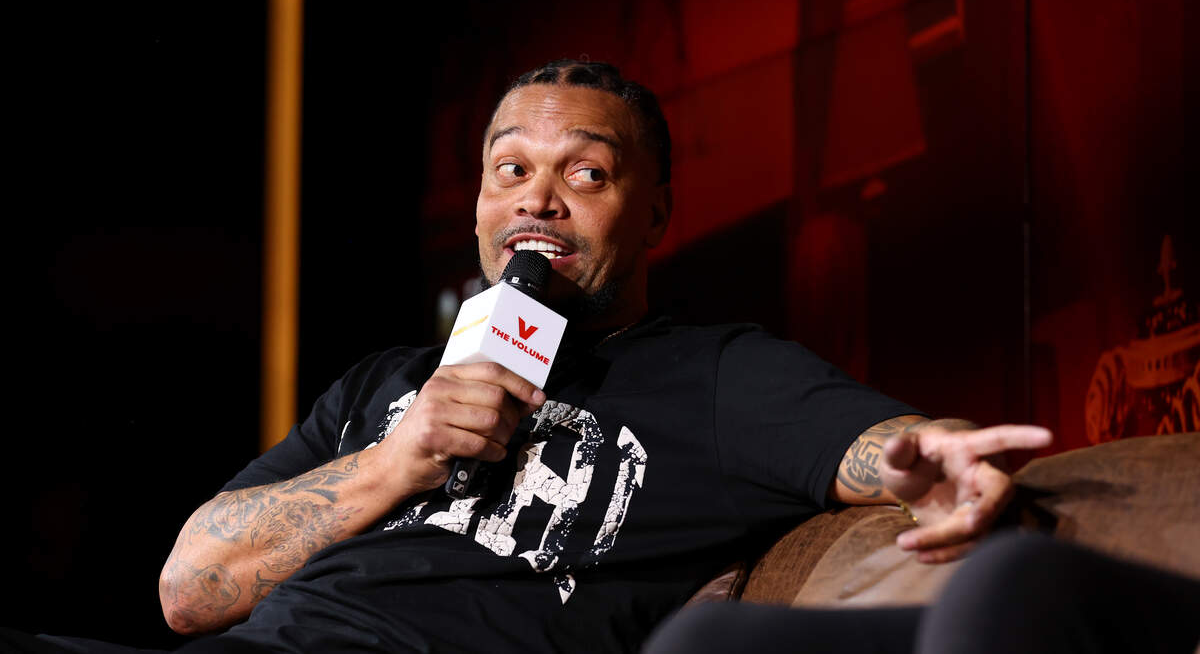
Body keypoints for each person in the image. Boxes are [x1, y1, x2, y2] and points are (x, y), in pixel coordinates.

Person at [13, 60, 1053, 654]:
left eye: (586, 173)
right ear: (478, 206)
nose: (537, 200)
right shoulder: (383, 383)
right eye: (509, 170)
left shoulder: (714, 375)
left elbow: (895, 444)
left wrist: (938, 458)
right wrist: (398, 457)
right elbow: (189, 592)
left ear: (655, 214)